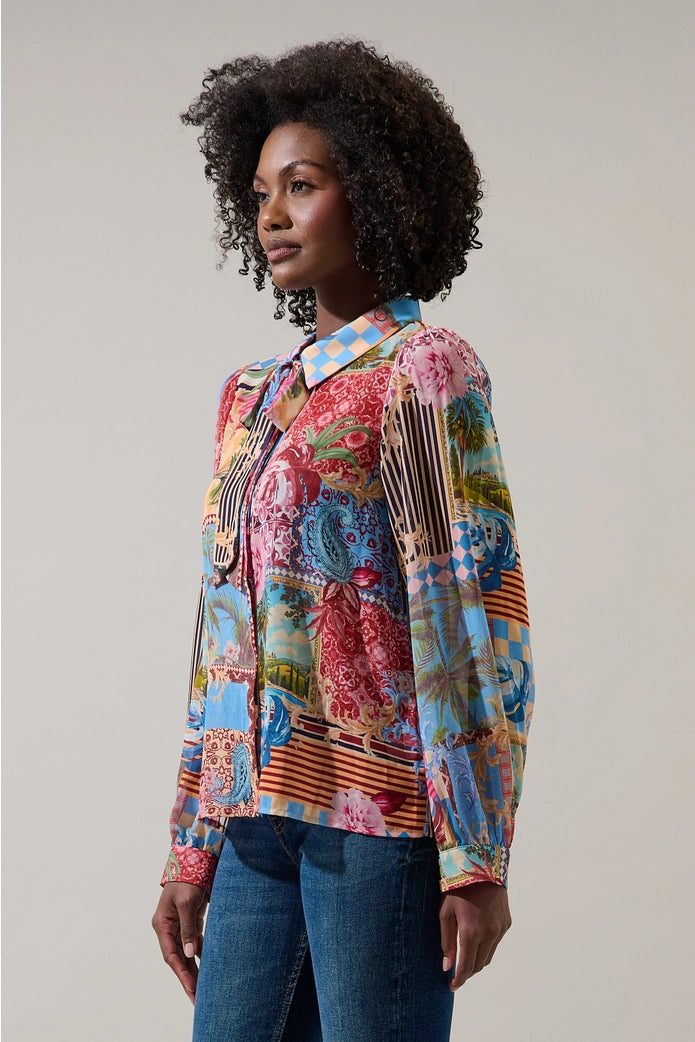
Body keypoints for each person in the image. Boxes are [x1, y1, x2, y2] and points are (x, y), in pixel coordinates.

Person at [152, 39, 534, 1042]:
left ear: (372, 190)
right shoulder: (250, 396)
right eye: (261, 190)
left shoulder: (423, 370)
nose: (271, 212)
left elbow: (467, 616)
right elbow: (221, 642)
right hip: (251, 823)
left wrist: (475, 855)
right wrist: (191, 847)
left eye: (302, 185)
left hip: (379, 819)